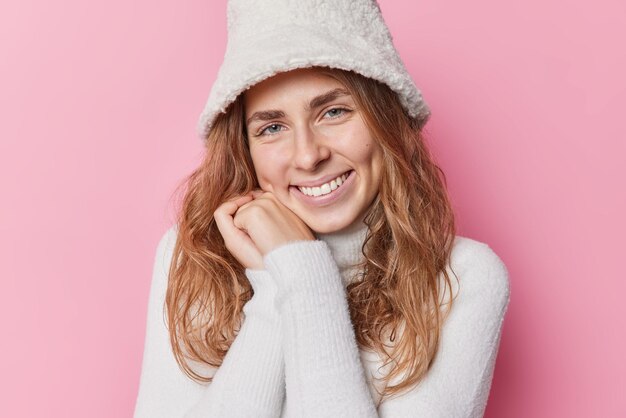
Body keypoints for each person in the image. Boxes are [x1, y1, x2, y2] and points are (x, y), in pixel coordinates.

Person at [134, 0, 511, 417]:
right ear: (245, 148)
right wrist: (271, 284)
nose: (308, 156)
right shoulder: (192, 256)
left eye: (334, 112)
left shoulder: (464, 278)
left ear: (385, 120)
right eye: (272, 127)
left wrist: (302, 269)